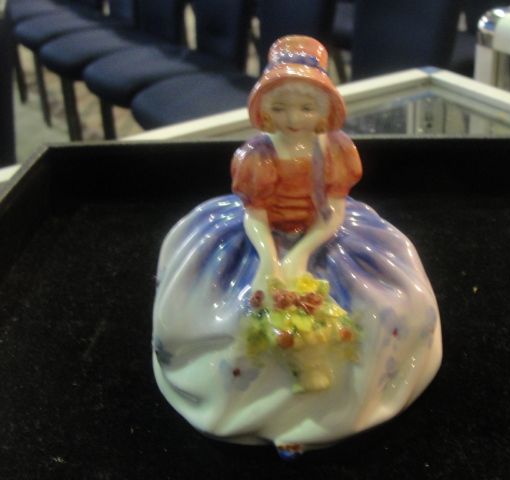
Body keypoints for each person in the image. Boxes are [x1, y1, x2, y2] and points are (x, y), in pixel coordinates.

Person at [152, 36, 442, 457]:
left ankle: (335, 409)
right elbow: (255, 215)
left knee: (387, 306)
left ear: (326, 110)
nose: (293, 118)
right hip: (261, 237)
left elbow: (333, 213)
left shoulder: (336, 151)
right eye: (281, 107)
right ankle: (255, 408)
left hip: (322, 234)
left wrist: (302, 254)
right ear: (264, 108)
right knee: (234, 317)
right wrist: (269, 260)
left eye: (306, 107)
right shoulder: (257, 156)